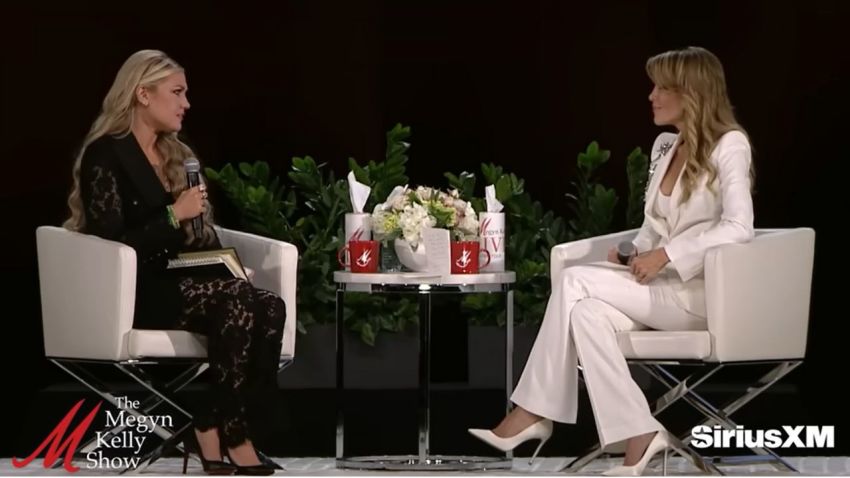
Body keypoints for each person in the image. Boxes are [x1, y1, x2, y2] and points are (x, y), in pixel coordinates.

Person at [468, 46, 755, 475]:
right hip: (661, 291)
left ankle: (532, 411)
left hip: (699, 295)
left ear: (692, 93)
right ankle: (640, 433)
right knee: (585, 314)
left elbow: (739, 227)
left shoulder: (730, 145)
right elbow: (654, 227)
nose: (651, 96)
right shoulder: (667, 146)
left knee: (575, 281)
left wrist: (666, 255)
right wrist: (636, 251)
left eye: (662, 87)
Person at [63, 49, 284, 476]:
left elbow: (198, 236)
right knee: (239, 300)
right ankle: (233, 437)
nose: (187, 104)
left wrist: (227, 263)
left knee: (269, 304)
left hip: (185, 279)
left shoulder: (178, 154)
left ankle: (214, 421)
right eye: (177, 92)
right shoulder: (105, 155)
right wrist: (172, 214)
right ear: (143, 94)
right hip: (136, 288)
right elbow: (110, 244)